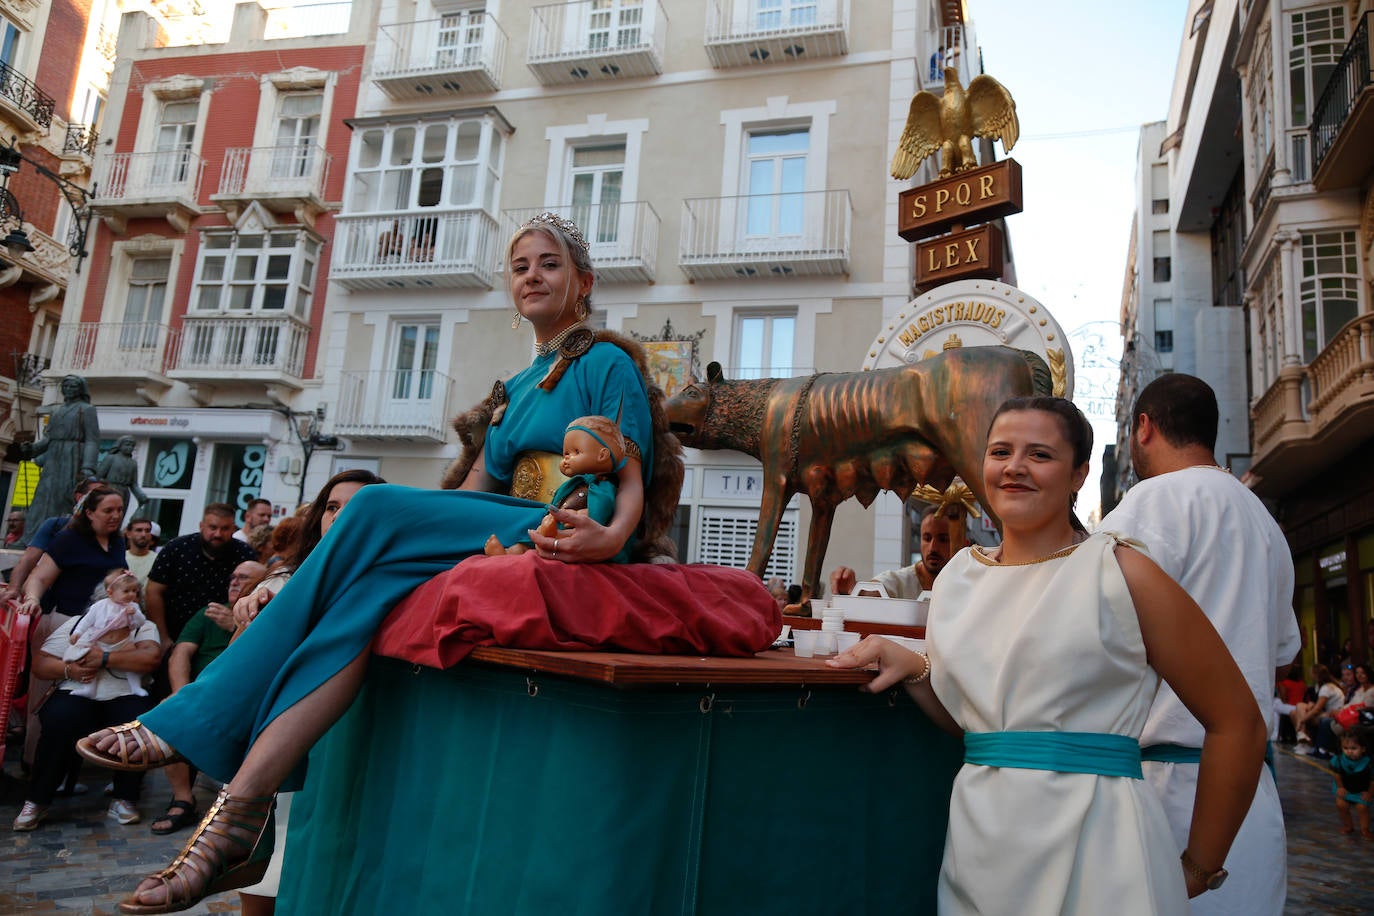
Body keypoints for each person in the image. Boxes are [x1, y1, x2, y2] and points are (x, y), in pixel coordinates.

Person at [76, 212, 679, 913]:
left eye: (549, 263)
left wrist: (614, 540)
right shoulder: (514, 388)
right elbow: (473, 491)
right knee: (366, 590)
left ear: (584, 281)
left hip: (570, 523)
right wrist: (409, 529)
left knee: (368, 507)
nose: (532, 276)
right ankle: (239, 816)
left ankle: (192, 716)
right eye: (520, 267)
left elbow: (632, 470)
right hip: (503, 520)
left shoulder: (606, 360)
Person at [828, 396, 1265, 911]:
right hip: (981, 843)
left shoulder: (1123, 571)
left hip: (1104, 845)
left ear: (1079, 473)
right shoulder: (958, 580)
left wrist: (1198, 866)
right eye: (1000, 452)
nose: (1014, 467)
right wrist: (917, 670)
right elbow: (989, 724)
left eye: (1039, 454)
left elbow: (1238, 722)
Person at [1098, 372, 1299, 916]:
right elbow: (1281, 654)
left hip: (1169, 795)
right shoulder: (1264, 522)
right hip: (1250, 797)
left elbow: (1086, 631)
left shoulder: (1149, 505)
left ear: (1142, 428)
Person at [227, 470, 383, 916]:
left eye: (354, 508)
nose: (339, 516)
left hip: (353, 744)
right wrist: (253, 620)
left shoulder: (396, 582)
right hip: (285, 740)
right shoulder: (286, 581)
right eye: (332, 507)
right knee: (263, 868)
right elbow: (236, 665)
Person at [152, 558, 267, 837]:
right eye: (233, 577)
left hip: (243, 699)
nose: (235, 582)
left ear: (262, 586)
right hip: (202, 692)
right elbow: (181, 653)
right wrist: (181, 693)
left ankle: (236, 805)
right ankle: (182, 799)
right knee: (170, 713)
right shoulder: (209, 612)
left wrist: (236, 627)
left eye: (244, 578)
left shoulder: (269, 615)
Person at [486, 416, 624, 555]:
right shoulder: (576, 483)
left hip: (577, 536)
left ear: (602, 455)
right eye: (566, 454)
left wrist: (578, 514)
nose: (567, 458)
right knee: (526, 544)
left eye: (576, 452)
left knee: (543, 544)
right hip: (555, 524)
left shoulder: (604, 488)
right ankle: (507, 553)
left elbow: (600, 512)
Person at [144, 504, 257, 646]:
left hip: (222, 637)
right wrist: (162, 636)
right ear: (201, 525)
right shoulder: (177, 548)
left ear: (234, 528)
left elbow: (253, 592)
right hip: (173, 632)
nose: (218, 534)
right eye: (213, 527)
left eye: (225, 529)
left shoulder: (244, 553)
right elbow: (153, 591)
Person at [19, 375, 101, 547]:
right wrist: (32, 449)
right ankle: (30, 538)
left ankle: (59, 539)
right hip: (53, 459)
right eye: (66, 386)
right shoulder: (56, 410)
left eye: (73, 387)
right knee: (41, 498)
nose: (69, 390)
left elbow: (92, 440)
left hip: (72, 457)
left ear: (80, 390)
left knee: (62, 498)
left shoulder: (86, 409)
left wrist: (88, 467)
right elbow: (48, 439)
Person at [829, 504, 966, 599]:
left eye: (943, 539)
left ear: (962, 545)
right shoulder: (900, 581)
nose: (933, 548)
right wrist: (851, 589)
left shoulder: (969, 584)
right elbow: (873, 590)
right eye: (927, 538)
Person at [65, 570, 148, 699]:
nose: (131, 594)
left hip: (123, 643)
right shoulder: (99, 606)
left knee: (130, 659)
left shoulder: (133, 607)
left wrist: (135, 614)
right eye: (126, 591)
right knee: (89, 660)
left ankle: (135, 686)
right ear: (110, 592)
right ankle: (89, 689)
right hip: (99, 642)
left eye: (134, 591)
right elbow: (86, 621)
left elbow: (140, 622)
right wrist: (77, 633)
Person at [1330, 731, 1372, 838]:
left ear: (1363, 749)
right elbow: (1337, 774)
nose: (1349, 751)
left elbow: (1372, 780)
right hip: (1344, 787)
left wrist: (1370, 793)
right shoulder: (1339, 760)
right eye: (1346, 748)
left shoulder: (1369, 763)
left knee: (1362, 807)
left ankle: (1365, 829)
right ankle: (1348, 825)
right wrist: (1340, 787)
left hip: (1362, 789)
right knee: (1341, 804)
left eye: (1354, 748)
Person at [1292, 663, 1343, 749]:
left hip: (1332, 714)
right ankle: (1303, 737)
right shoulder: (1320, 686)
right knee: (1299, 706)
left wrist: (1301, 721)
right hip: (1326, 712)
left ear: (1315, 674)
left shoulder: (1327, 688)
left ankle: (1304, 738)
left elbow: (1317, 709)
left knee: (1298, 715)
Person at [97, 436, 148, 518]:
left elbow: (134, 484)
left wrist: (140, 495)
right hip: (111, 489)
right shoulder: (111, 458)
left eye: (132, 446)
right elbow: (99, 476)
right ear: (120, 445)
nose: (130, 448)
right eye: (127, 445)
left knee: (120, 515)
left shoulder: (133, 463)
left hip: (124, 492)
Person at [124, 517, 159, 586]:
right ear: (128, 534)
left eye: (147, 531)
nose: (143, 534)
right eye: (139, 530)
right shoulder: (120, 558)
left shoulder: (158, 560)